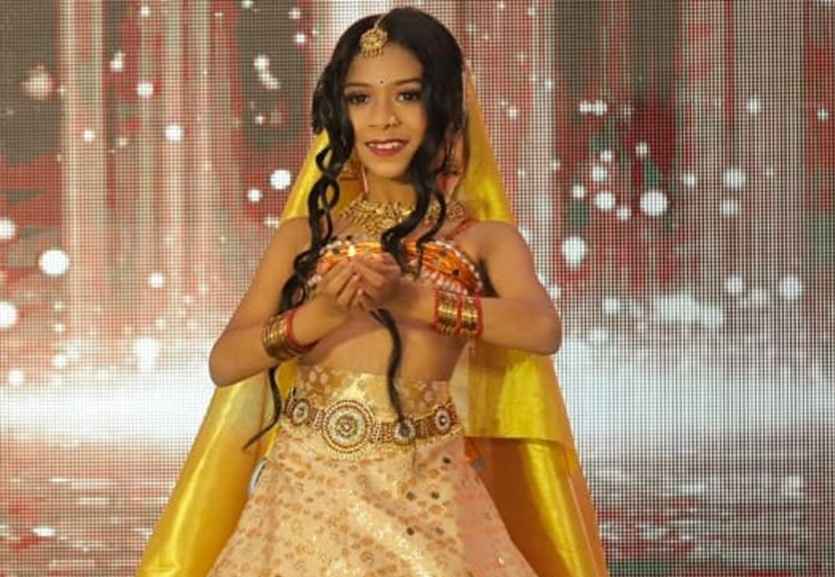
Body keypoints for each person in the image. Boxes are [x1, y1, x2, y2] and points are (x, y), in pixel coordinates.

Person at [136, 8, 608, 577]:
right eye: (360, 99)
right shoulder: (306, 236)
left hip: (428, 499)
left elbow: (541, 329)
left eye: (406, 95)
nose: (382, 119)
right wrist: (321, 315)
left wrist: (410, 301)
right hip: (302, 507)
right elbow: (225, 361)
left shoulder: (481, 239)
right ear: (341, 113)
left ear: (445, 106)